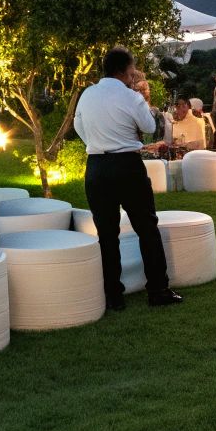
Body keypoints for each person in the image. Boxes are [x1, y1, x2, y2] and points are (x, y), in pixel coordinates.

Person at [76, 47, 178, 309]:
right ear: (124, 70)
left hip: (97, 166)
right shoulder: (131, 97)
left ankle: (113, 296)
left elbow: (78, 126)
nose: (134, 76)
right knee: (146, 227)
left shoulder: (87, 94)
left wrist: (97, 142)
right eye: (132, 71)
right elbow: (150, 127)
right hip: (127, 166)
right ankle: (158, 289)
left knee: (107, 233)